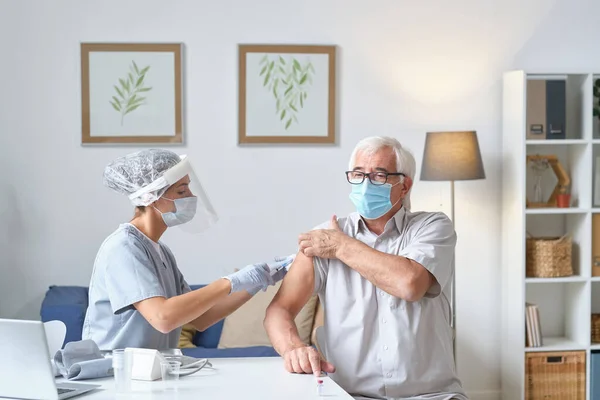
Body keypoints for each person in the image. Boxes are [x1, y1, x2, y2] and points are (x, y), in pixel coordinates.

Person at [264, 136, 467, 400]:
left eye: (379, 176)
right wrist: (294, 349)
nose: (366, 184)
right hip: (350, 396)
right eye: (358, 174)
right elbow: (279, 309)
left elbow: (410, 284)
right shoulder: (323, 238)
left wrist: (341, 247)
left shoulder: (432, 227)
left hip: (432, 396)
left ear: (404, 186)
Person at [82, 149, 294, 351]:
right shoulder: (124, 247)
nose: (191, 197)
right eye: (181, 191)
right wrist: (231, 281)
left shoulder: (161, 252)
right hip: (114, 374)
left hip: (147, 373)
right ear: (150, 197)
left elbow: (202, 318)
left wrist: (257, 280)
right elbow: (163, 318)